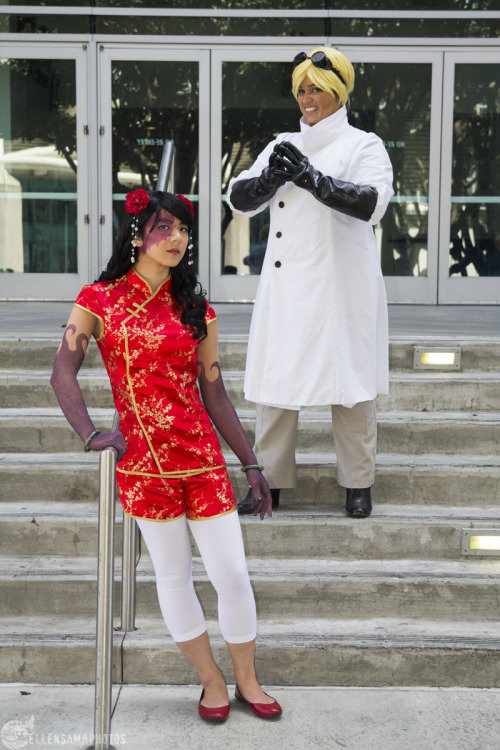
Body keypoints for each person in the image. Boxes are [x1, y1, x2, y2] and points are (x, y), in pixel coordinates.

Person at [51, 189, 282, 722]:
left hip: (201, 460)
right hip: (143, 466)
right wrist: (90, 433)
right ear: (138, 234)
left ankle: (247, 678)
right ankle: (211, 682)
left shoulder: (195, 306)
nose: (176, 238)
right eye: (164, 228)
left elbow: (215, 392)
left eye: (183, 230)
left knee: (232, 574)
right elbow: (62, 372)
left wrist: (250, 462)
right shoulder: (98, 299)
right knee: (173, 578)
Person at [228, 47, 394, 519]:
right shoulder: (282, 141)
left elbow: (370, 203)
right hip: (287, 289)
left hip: (342, 290)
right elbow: (239, 198)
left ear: (338, 92)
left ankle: (357, 485)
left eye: (316, 88)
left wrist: (312, 178)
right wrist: (268, 180)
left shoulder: (365, 145)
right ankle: (270, 485)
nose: (307, 97)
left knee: (352, 390)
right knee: (277, 387)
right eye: (301, 89)